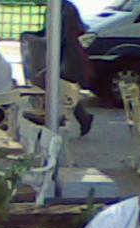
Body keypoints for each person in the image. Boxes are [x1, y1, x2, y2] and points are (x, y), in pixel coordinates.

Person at [46, 0, 94, 136]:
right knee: (64, 89)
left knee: (64, 88)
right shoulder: (64, 7)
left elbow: (64, 34)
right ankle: (77, 117)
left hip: (68, 55)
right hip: (68, 54)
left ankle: (66, 118)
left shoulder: (64, 9)